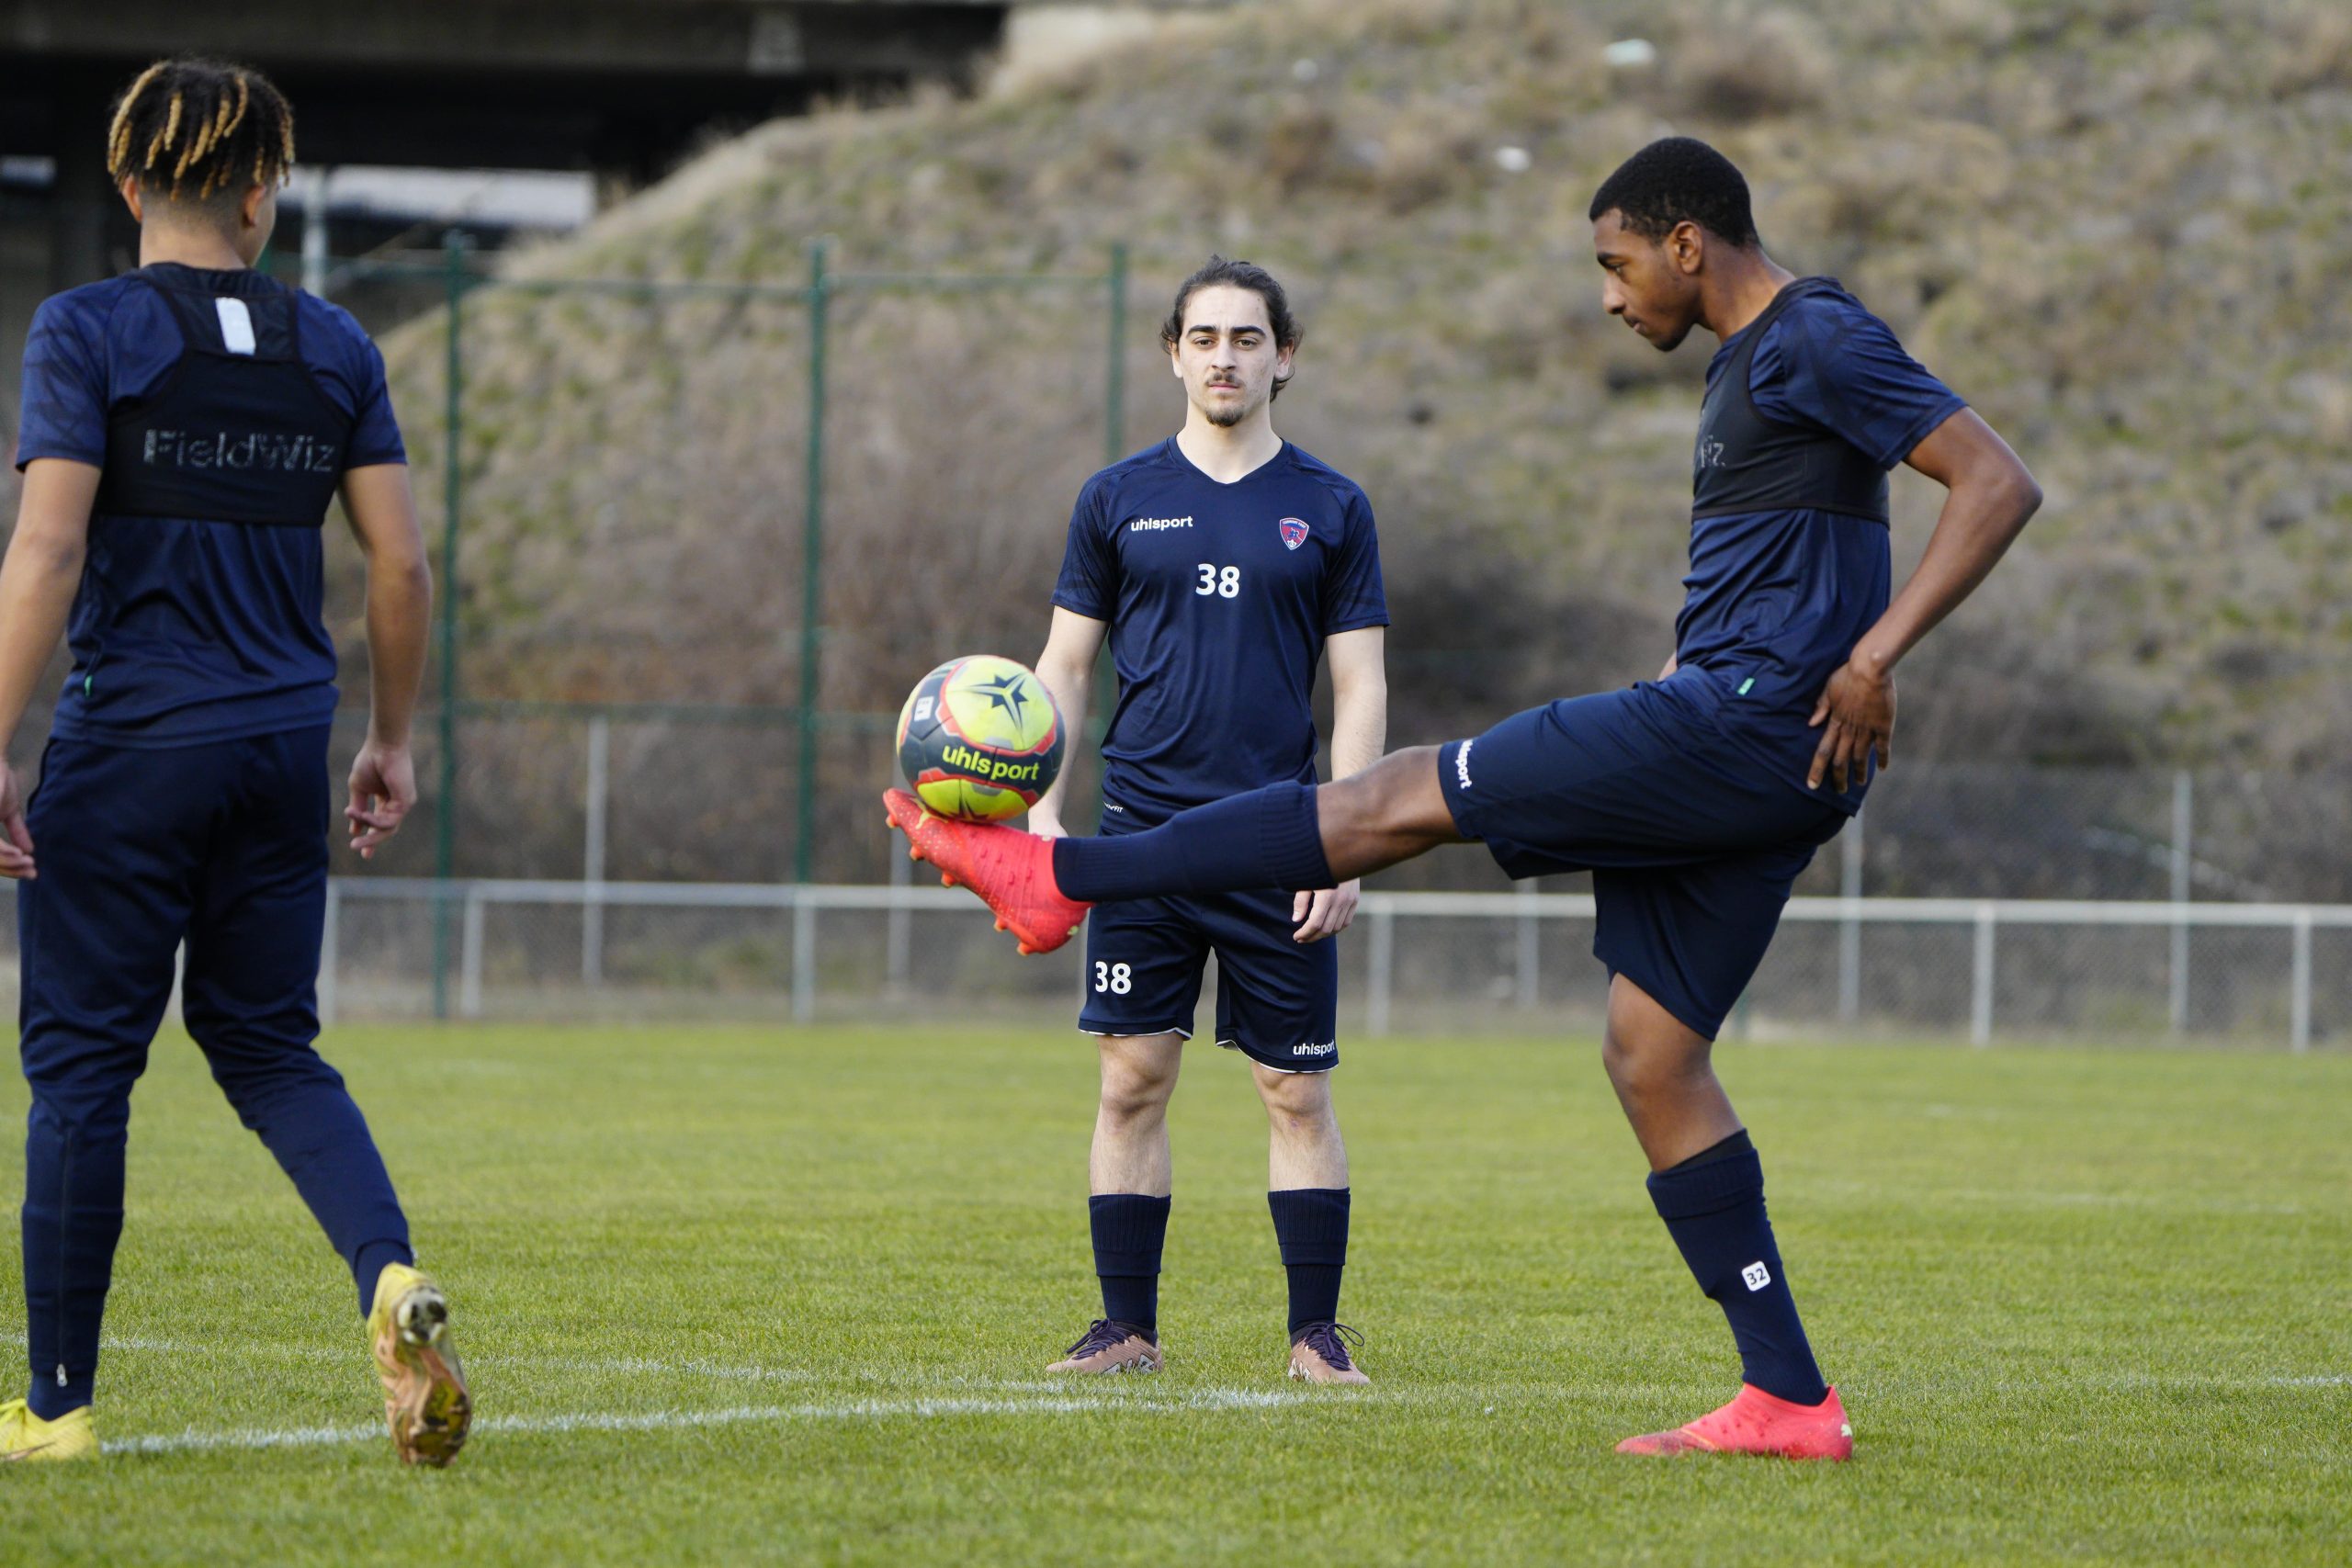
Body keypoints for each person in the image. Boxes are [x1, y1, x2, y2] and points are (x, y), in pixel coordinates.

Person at [888, 138, 2041, 1460]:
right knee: (1653, 1059)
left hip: (1741, 726)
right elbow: (1788, 567)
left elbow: (1996, 479)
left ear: (1684, 243)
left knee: (1390, 796)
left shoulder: (1813, 335)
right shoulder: (1749, 368)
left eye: (1616, 265)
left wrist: (1874, 659)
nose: (1611, 298)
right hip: (1751, 747)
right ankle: (1787, 1394)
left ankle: (1060, 877)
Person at [0, 57, 469, 1465]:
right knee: (269, 1042)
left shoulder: (85, 330)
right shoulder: (335, 346)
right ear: (264, 195)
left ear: (129, 181)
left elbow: (49, 546)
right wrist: (387, 735)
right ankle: (388, 1277)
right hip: (279, 746)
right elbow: (399, 560)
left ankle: (59, 1409)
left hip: (132, 742)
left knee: (83, 1070)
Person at [1021, 257, 1388, 1383]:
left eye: (1246, 338)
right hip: (1136, 840)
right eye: (1203, 337)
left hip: (1281, 840)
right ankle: (1126, 1328)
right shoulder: (1116, 497)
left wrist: (1350, 832)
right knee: (1131, 1079)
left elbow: (1361, 689)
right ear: (1172, 354)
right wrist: (1041, 813)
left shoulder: (1331, 507)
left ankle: (1313, 1337)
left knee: (1297, 1089)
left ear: (1286, 356)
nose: (1224, 357)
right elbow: (1066, 670)